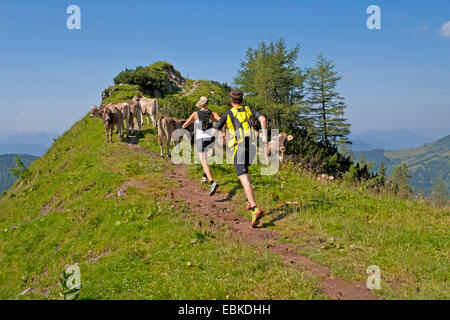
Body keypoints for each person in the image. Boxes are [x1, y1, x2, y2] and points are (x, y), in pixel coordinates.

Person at [213, 90, 267, 228]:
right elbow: (263, 119)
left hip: (240, 148)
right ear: (242, 99)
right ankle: (248, 201)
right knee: (245, 173)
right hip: (253, 147)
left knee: (243, 177)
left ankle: (254, 208)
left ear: (231, 100)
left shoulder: (228, 114)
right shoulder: (249, 110)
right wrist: (265, 136)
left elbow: (214, 131)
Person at [182, 96, 221, 196]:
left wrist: (191, 126)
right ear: (207, 103)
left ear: (200, 103)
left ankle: (212, 182)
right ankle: (204, 176)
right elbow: (221, 121)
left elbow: (184, 125)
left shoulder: (195, 114)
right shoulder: (212, 113)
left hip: (200, 139)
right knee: (206, 158)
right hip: (211, 138)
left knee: (203, 161)